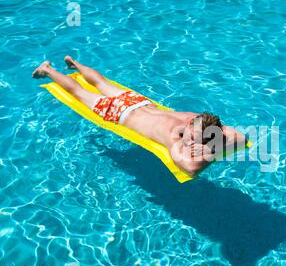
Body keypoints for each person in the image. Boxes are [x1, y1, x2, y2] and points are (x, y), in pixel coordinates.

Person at [32, 56, 247, 176]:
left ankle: (74, 63)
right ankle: (48, 70)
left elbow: (238, 136)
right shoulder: (173, 138)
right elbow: (190, 169)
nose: (192, 142)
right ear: (192, 125)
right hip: (117, 112)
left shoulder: (196, 118)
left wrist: (207, 142)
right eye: (193, 137)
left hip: (139, 102)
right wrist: (211, 151)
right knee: (78, 92)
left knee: (102, 82)